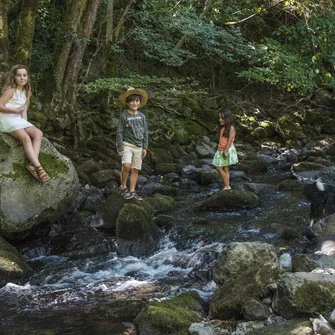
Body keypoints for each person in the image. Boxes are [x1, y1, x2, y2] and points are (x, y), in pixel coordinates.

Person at [0, 64, 50, 182]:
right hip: (6, 118)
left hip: (18, 120)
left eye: (24, 75)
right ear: (14, 77)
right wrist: (15, 111)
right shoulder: (10, 91)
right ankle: (38, 167)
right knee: (26, 138)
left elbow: (24, 112)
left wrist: (25, 124)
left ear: (27, 77)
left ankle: (32, 163)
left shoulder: (26, 93)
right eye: (19, 75)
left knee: (38, 133)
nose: (22, 78)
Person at [116, 87, 149, 200]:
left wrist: (145, 147)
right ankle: (123, 186)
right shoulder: (124, 116)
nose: (135, 103)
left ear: (139, 102)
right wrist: (120, 147)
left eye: (137, 101)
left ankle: (132, 191)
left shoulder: (142, 116)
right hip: (127, 144)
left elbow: (145, 132)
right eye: (132, 101)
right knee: (126, 166)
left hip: (138, 146)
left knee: (135, 169)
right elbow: (119, 131)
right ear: (127, 102)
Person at [212, 108, 238, 190]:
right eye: (219, 118)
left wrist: (225, 150)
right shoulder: (223, 128)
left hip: (226, 150)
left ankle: (227, 186)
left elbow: (230, 141)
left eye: (222, 118)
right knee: (225, 169)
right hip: (221, 149)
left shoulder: (231, 128)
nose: (220, 120)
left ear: (227, 118)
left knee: (218, 168)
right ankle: (227, 185)